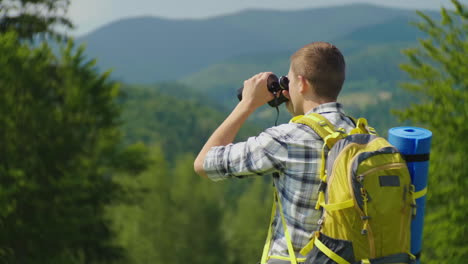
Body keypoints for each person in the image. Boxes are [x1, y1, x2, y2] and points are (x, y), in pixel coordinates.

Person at [194, 42, 355, 262]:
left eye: (288, 80)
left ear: (302, 83)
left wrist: (247, 104)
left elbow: (203, 164)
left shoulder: (285, 140)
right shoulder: (362, 136)